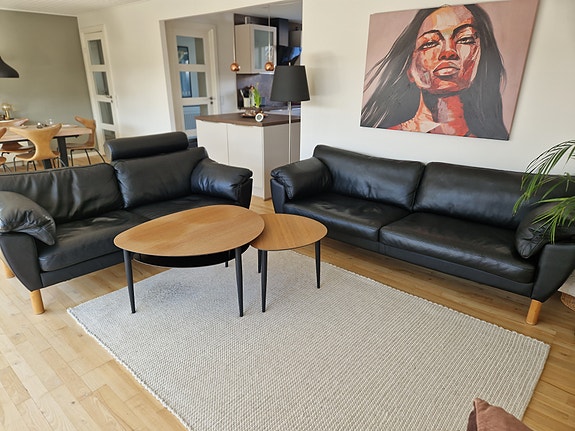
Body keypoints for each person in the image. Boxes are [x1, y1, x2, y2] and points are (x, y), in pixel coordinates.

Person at [361, 4, 509, 140]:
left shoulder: (487, 143)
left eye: (465, 39)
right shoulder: (386, 136)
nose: (448, 52)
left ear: (483, 60)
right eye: (430, 42)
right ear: (410, 70)